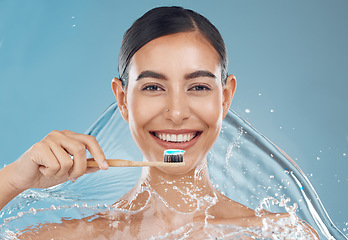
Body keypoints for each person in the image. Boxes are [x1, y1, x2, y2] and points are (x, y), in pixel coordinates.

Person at [0, 6, 318, 239]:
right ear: (123, 99)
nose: (177, 113)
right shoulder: (64, 238)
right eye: (153, 87)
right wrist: (13, 180)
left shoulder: (279, 234)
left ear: (225, 98)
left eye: (198, 87)